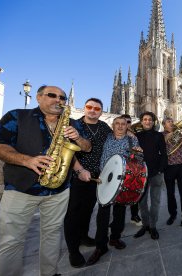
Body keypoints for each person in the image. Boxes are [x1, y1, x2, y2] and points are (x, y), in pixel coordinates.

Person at [0, 85, 91, 276]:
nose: (58, 100)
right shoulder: (16, 116)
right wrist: (27, 160)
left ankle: (49, 273)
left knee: (52, 235)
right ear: (38, 97)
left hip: (59, 189)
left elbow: (86, 148)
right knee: (11, 242)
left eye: (62, 97)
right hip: (21, 188)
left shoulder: (70, 122)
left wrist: (78, 138)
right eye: (52, 95)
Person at [86, 116, 142, 266]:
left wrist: (139, 154)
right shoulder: (106, 136)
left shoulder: (132, 140)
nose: (120, 126)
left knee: (120, 212)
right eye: (117, 123)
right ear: (113, 125)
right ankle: (100, 246)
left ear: (127, 126)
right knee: (102, 214)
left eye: (123, 124)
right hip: (104, 178)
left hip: (122, 180)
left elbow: (138, 162)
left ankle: (115, 237)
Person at [63, 98, 112, 268]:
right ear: (84, 108)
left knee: (88, 209)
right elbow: (65, 149)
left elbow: (113, 142)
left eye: (96, 108)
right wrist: (79, 170)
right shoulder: (73, 124)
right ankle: (73, 250)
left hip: (95, 176)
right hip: (76, 176)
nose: (92, 110)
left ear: (101, 111)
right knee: (73, 214)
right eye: (89, 107)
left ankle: (83, 236)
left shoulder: (105, 127)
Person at [133, 112, 167, 240]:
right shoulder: (136, 136)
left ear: (153, 122)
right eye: (145, 119)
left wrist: (160, 170)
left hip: (155, 173)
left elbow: (163, 154)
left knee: (155, 202)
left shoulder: (159, 136)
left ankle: (153, 226)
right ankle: (145, 225)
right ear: (141, 121)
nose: (147, 122)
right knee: (142, 202)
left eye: (150, 120)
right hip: (141, 174)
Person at [162, 117, 182, 226]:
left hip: (181, 166)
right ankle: (172, 214)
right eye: (169, 121)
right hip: (169, 167)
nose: (172, 123)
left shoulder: (178, 133)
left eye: (172, 121)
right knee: (170, 193)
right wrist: (167, 136)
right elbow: (160, 148)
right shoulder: (161, 135)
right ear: (164, 125)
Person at [121, 114, 143, 226]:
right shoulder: (115, 135)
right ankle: (117, 221)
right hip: (120, 169)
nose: (126, 124)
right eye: (123, 121)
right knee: (119, 195)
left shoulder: (135, 135)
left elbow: (140, 152)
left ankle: (134, 215)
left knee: (134, 192)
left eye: (128, 122)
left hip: (134, 168)